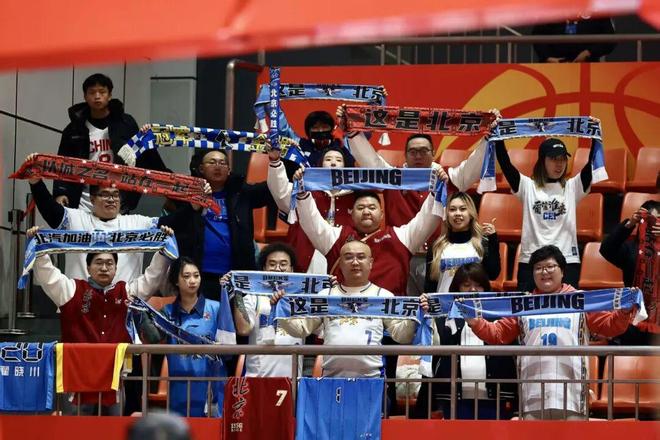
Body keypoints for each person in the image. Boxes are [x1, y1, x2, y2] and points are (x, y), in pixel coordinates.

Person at [338, 105, 500, 296]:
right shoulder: (394, 178)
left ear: (433, 152)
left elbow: (472, 167)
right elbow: (371, 161)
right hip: (400, 256)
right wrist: (351, 130)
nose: (418, 156)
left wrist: (489, 135)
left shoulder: (446, 179)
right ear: (405, 155)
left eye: (424, 151)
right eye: (413, 152)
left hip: (438, 257)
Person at [466, 245, 636, 420]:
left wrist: (624, 312)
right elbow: (498, 334)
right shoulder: (523, 304)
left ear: (562, 271)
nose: (544, 272)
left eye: (550, 266)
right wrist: (476, 323)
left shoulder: (580, 300)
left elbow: (610, 326)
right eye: (538, 268)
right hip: (532, 395)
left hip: (572, 396)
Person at [28, 225, 175, 415]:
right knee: (74, 429)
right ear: (88, 267)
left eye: (109, 263)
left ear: (116, 268)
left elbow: (152, 277)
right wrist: (38, 245)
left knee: (112, 428)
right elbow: (48, 275)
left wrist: (164, 248)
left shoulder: (127, 292)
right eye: (98, 262)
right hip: (76, 377)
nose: (104, 268)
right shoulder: (71, 290)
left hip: (114, 378)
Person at [272, 240, 421, 378]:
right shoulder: (326, 295)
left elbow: (402, 336)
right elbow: (301, 329)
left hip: (371, 380)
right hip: (331, 378)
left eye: (361, 257)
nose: (355, 262)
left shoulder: (383, 296)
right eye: (348, 257)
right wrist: (283, 310)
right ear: (340, 263)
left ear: (370, 263)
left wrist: (414, 316)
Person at [27, 165, 197, 283]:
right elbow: (50, 209)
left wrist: (193, 206)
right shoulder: (76, 219)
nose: (111, 199)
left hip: (124, 305)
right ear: (92, 199)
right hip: (81, 304)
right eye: (105, 195)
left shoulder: (136, 223)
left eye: (115, 195)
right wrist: (36, 182)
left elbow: (174, 222)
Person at [158, 148, 274, 300]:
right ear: (201, 168)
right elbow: (165, 225)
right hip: (197, 277)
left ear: (229, 170)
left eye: (222, 163)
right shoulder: (187, 194)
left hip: (236, 278)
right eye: (212, 162)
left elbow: (272, 189)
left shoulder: (242, 193)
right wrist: (192, 207)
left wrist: (277, 161)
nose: (218, 166)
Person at [495, 131, 599, 291]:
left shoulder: (572, 187)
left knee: (567, 308)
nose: (559, 164)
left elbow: (591, 163)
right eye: (554, 159)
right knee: (528, 307)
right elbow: (505, 164)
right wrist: (498, 136)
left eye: (563, 159)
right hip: (531, 261)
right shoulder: (527, 186)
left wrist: (595, 136)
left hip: (567, 261)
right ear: (542, 161)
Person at [54, 73, 169, 213]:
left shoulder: (126, 123)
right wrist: (60, 192)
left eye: (102, 92)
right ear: (85, 96)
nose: (97, 96)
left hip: (118, 199)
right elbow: (62, 164)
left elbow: (146, 157)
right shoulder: (73, 130)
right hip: (83, 201)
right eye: (92, 92)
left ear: (109, 95)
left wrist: (169, 185)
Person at [414, 263, 517, 420]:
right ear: (457, 288)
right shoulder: (442, 318)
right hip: (453, 399)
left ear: (486, 288)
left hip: (496, 399)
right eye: (466, 285)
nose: (472, 290)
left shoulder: (499, 316)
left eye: (478, 285)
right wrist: (425, 309)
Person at [159, 257, 234, 417]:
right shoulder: (167, 312)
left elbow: (229, 351)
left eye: (196, 275)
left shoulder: (216, 308)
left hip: (212, 388)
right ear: (176, 281)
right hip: (179, 388)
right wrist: (138, 314)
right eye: (186, 276)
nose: (192, 281)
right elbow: (151, 339)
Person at [268, 146, 356, 272]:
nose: (333, 163)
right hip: (306, 256)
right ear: (320, 165)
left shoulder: (355, 197)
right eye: (328, 159)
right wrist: (275, 162)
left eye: (338, 160)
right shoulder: (304, 190)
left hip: (341, 257)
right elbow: (280, 194)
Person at [229, 242, 305, 377]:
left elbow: (320, 329)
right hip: (257, 380)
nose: (278, 269)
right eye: (272, 264)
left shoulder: (302, 300)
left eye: (283, 264)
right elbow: (244, 329)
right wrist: (238, 293)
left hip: (292, 381)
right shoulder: (253, 297)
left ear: (292, 269)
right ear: (264, 268)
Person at [600, 199, 660, 345]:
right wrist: (629, 224)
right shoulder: (631, 249)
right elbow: (606, 249)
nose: (654, 225)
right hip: (633, 319)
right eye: (650, 220)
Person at [426, 192, 500, 293]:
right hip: (445, 303)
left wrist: (493, 241)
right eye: (452, 209)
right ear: (446, 214)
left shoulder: (482, 244)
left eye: (463, 209)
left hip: (474, 303)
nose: (457, 213)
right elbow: (429, 287)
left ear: (471, 214)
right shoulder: (436, 247)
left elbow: (493, 274)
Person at [280, 110, 356, 177]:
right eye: (315, 128)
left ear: (331, 129)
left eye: (325, 127)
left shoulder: (340, 144)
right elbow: (283, 128)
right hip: (305, 186)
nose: (320, 130)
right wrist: (273, 104)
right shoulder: (299, 144)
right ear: (308, 131)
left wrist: (347, 120)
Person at [532, 16, 616, 63]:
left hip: (589, 65)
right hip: (554, 66)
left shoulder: (596, 8)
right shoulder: (552, 8)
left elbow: (610, 39)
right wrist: (548, 58)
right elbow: (538, 35)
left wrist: (589, 52)